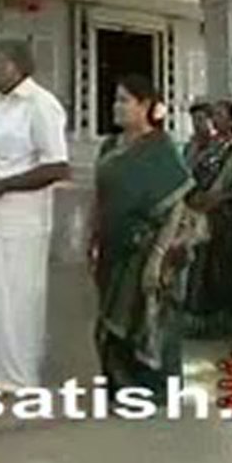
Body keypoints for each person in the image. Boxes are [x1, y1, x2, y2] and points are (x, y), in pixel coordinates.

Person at [0, 38, 70, 391]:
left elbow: (57, 166)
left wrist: (2, 186)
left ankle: (15, 376)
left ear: (16, 65)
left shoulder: (40, 105)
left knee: (14, 300)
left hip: (18, 224)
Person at [89, 74, 200, 400]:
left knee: (149, 317)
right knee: (110, 318)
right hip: (113, 246)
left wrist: (159, 255)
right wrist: (91, 237)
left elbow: (178, 205)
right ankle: (118, 386)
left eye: (125, 100)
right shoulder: (110, 146)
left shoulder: (162, 149)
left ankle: (154, 388)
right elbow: (100, 198)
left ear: (146, 106)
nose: (117, 106)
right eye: (116, 100)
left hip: (150, 249)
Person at [184, 99, 232, 337]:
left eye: (220, 115)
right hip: (201, 213)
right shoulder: (205, 147)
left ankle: (223, 321)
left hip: (226, 217)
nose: (216, 119)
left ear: (231, 118)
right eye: (214, 115)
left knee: (221, 267)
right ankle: (199, 319)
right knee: (199, 266)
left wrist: (220, 197)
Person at [183, 100, 214, 169]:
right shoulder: (189, 146)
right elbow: (185, 168)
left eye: (200, 119)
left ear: (209, 120)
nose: (196, 123)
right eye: (194, 119)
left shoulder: (216, 143)